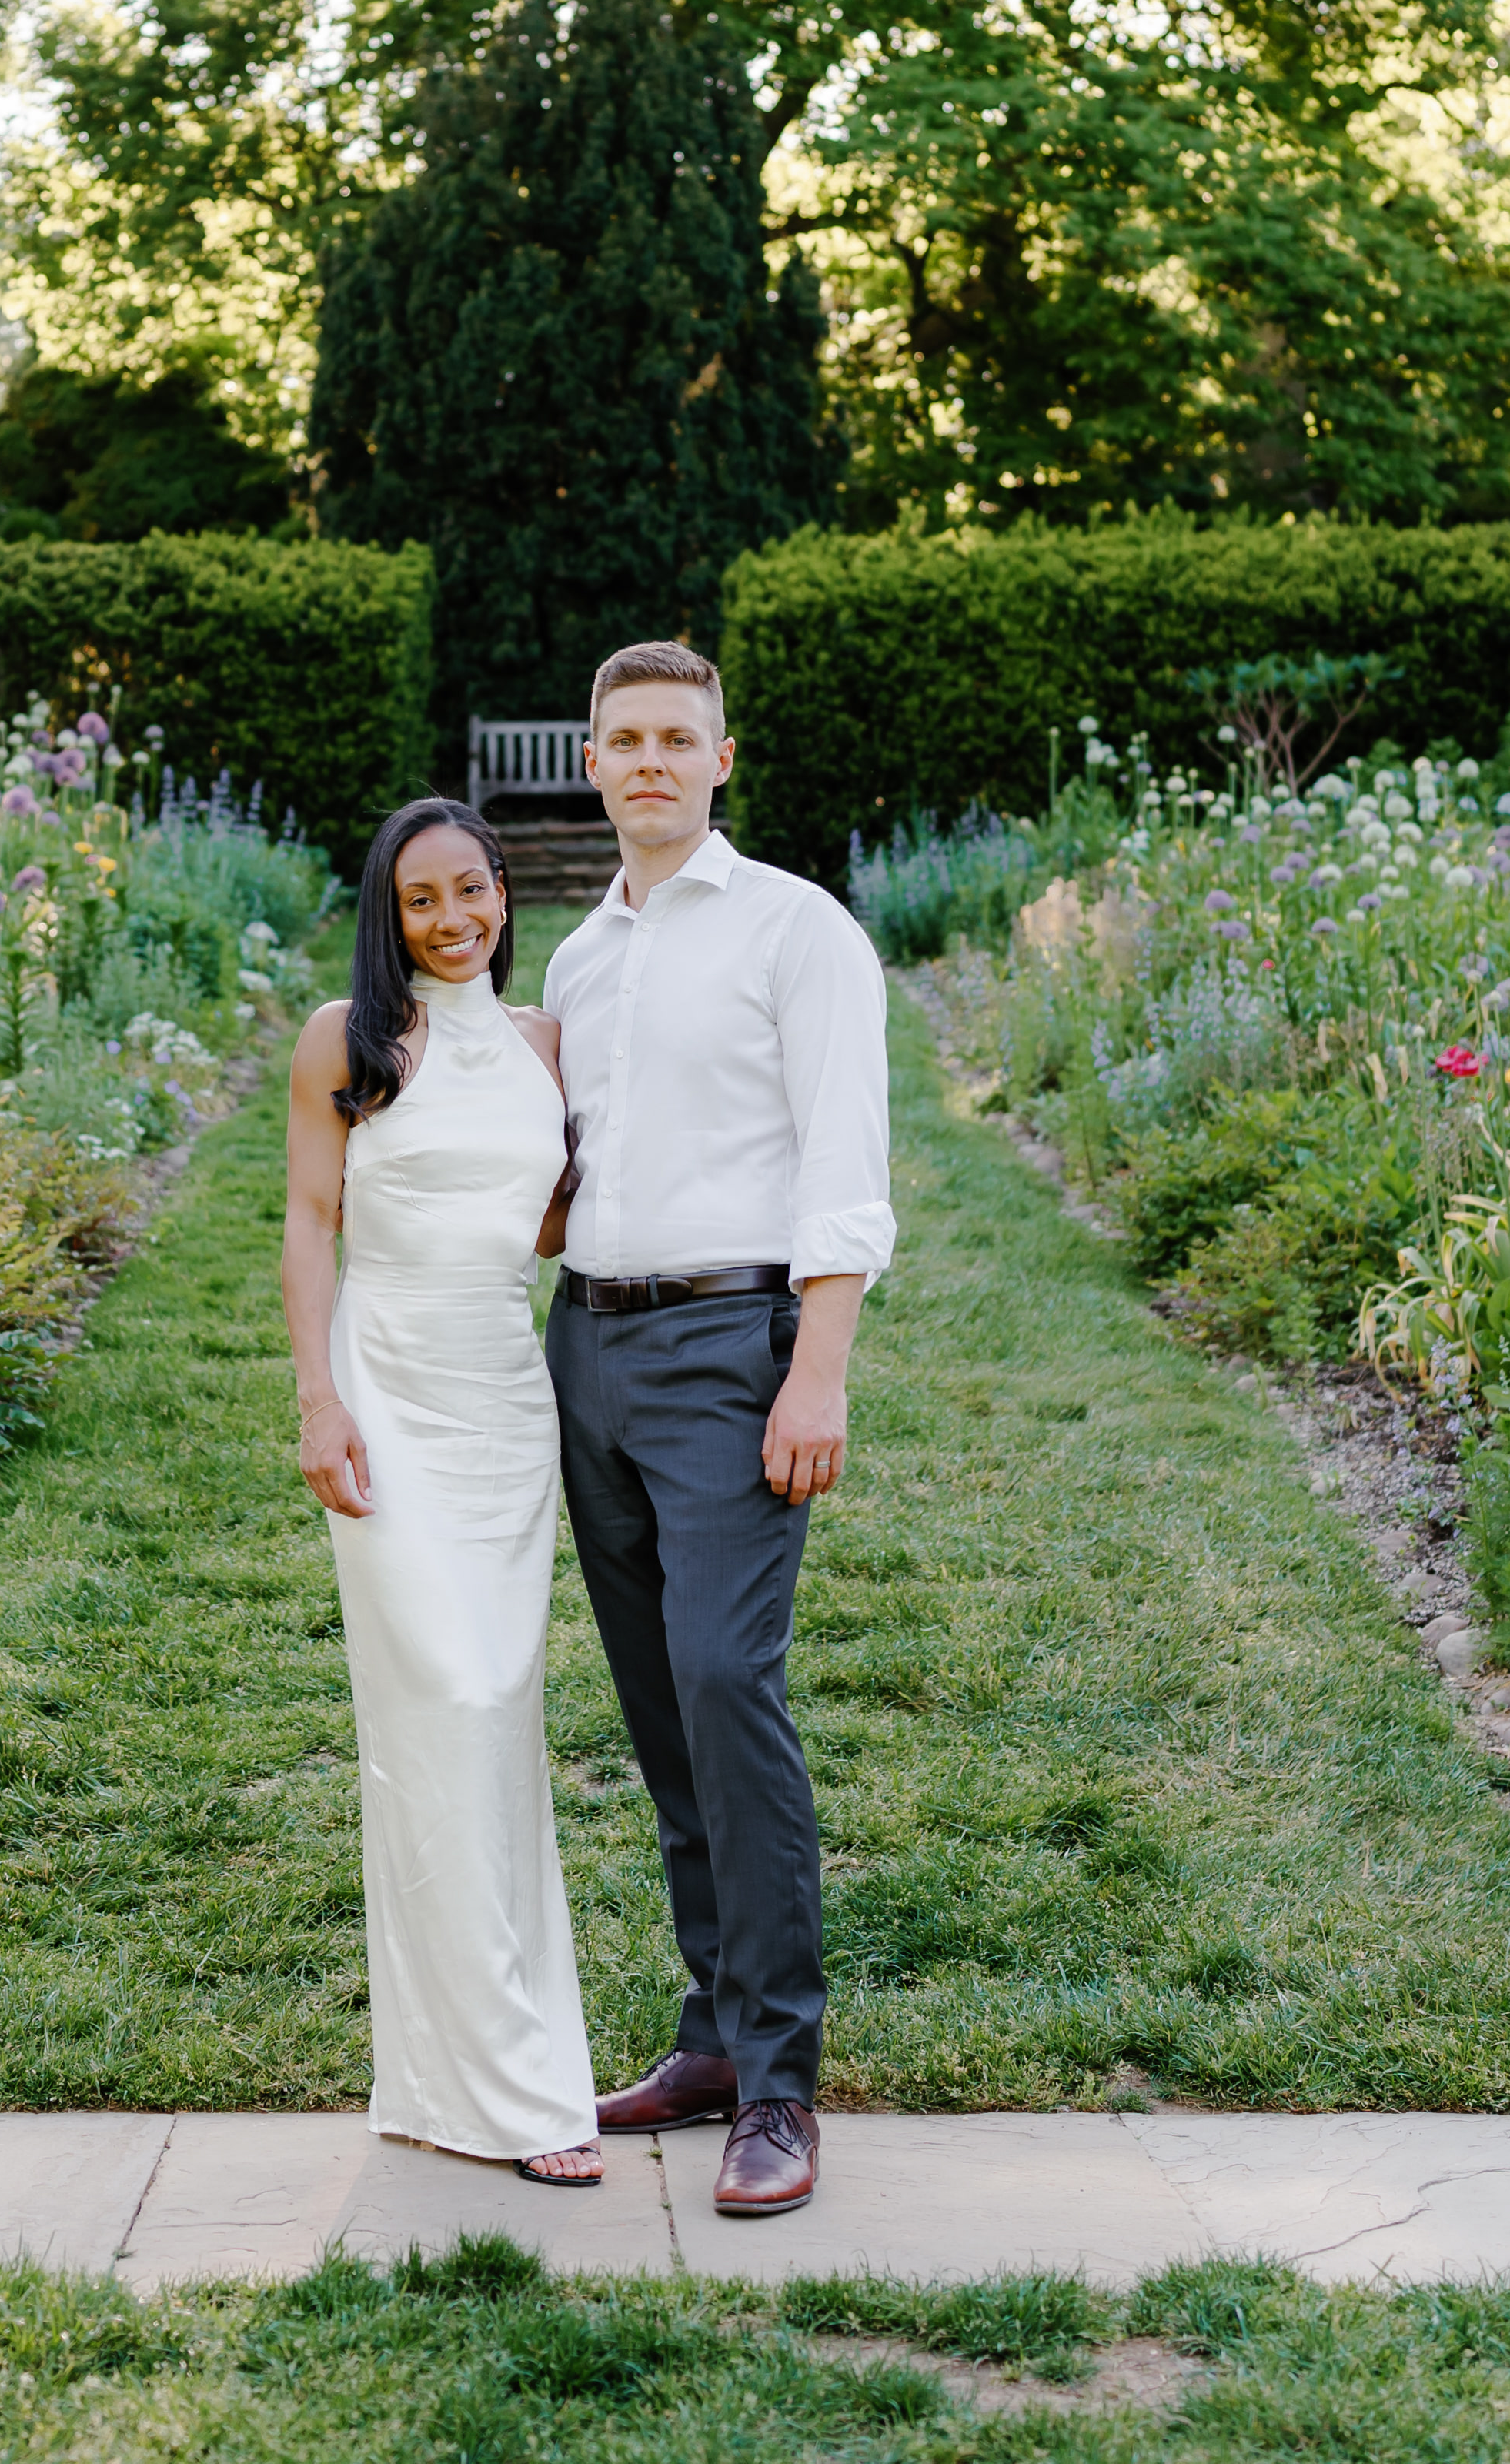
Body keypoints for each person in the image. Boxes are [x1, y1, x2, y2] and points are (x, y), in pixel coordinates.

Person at [543, 638, 890, 2218]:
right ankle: (707, 2032)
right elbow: (567, 1179)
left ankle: (779, 2084)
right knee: (660, 1704)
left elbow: (844, 1164)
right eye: (627, 739)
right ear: (594, 761)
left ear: (722, 758)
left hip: (731, 1350)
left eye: (680, 736)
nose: (653, 761)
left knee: (728, 1683)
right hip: (590, 1348)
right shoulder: (578, 960)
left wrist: (816, 1368)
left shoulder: (794, 929)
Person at [280, 796, 603, 2184]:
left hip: (502, 1401)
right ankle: (517, 2100)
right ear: (388, 914)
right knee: (445, 1707)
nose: (455, 919)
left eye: (472, 891)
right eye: (423, 901)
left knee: (493, 1722)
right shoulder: (345, 1043)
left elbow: (548, 1216)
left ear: (500, 893)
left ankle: (442, 2080)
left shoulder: (544, 1045)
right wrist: (318, 1398)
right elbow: (308, 1220)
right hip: (391, 1390)